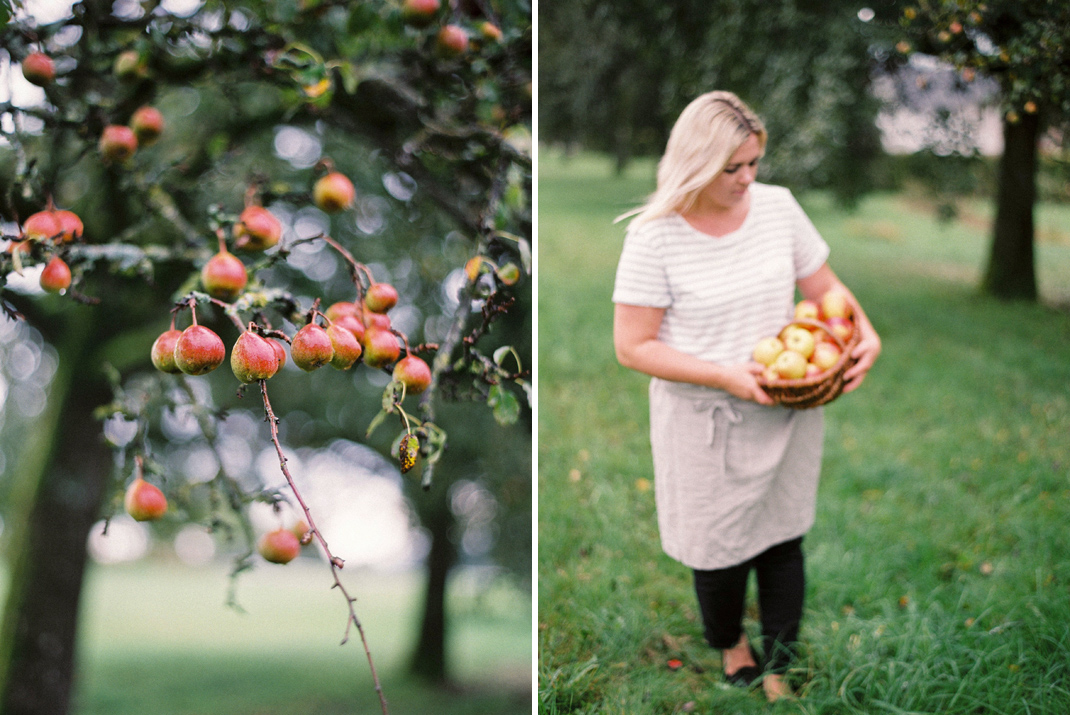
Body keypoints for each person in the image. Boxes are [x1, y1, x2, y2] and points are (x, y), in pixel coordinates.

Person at [611, 91, 881, 703]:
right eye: (731, 168)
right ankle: (734, 644)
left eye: (754, 163)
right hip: (704, 420)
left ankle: (780, 661)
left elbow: (826, 289)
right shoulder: (655, 238)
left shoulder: (778, 209)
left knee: (784, 538)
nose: (747, 179)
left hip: (786, 406)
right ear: (695, 164)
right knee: (718, 552)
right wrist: (727, 375)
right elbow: (633, 347)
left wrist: (866, 335)